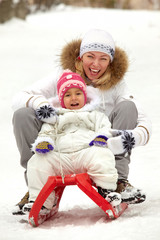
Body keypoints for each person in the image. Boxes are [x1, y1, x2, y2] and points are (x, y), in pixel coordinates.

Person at [12, 29, 151, 214]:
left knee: (127, 107)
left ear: (110, 62)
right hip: (60, 146)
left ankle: (118, 182)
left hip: (98, 147)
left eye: (103, 58)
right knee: (23, 114)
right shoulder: (63, 77)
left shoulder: (117, 85)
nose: (95, 64)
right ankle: (36, 191)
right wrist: (42, 105)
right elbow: (19, 97)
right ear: (80, 57)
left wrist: (127, 139)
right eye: (90, 56)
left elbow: (143, 122)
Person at [22, 70, 123, 213]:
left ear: (84, 95)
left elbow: (105, 127)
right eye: (68, 95)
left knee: (102, 155)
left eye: (78, 93)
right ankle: (41, 202)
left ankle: (107, 191)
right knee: (37, 161)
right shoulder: (55, 118)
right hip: (61, 158)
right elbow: (46, 132)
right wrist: (44, 142)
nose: (73, 98)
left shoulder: (94, 114)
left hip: (86, 153)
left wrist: (102, 137)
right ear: (61, 99)